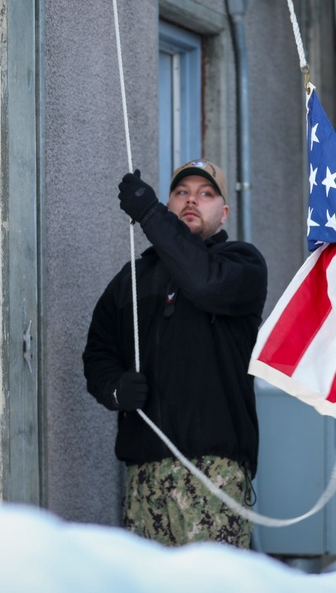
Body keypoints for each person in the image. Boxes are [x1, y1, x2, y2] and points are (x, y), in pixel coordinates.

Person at [82, 158, 267, 549]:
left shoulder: (242, 265)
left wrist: (149, 214)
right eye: (181, 193)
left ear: (224, 211)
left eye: (205, 194)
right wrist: (113, 388)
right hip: (143, 475)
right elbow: (98, 350)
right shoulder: (133, 279)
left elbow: (204, 282)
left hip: (212, 473)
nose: (191, 201)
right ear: (170, 204)